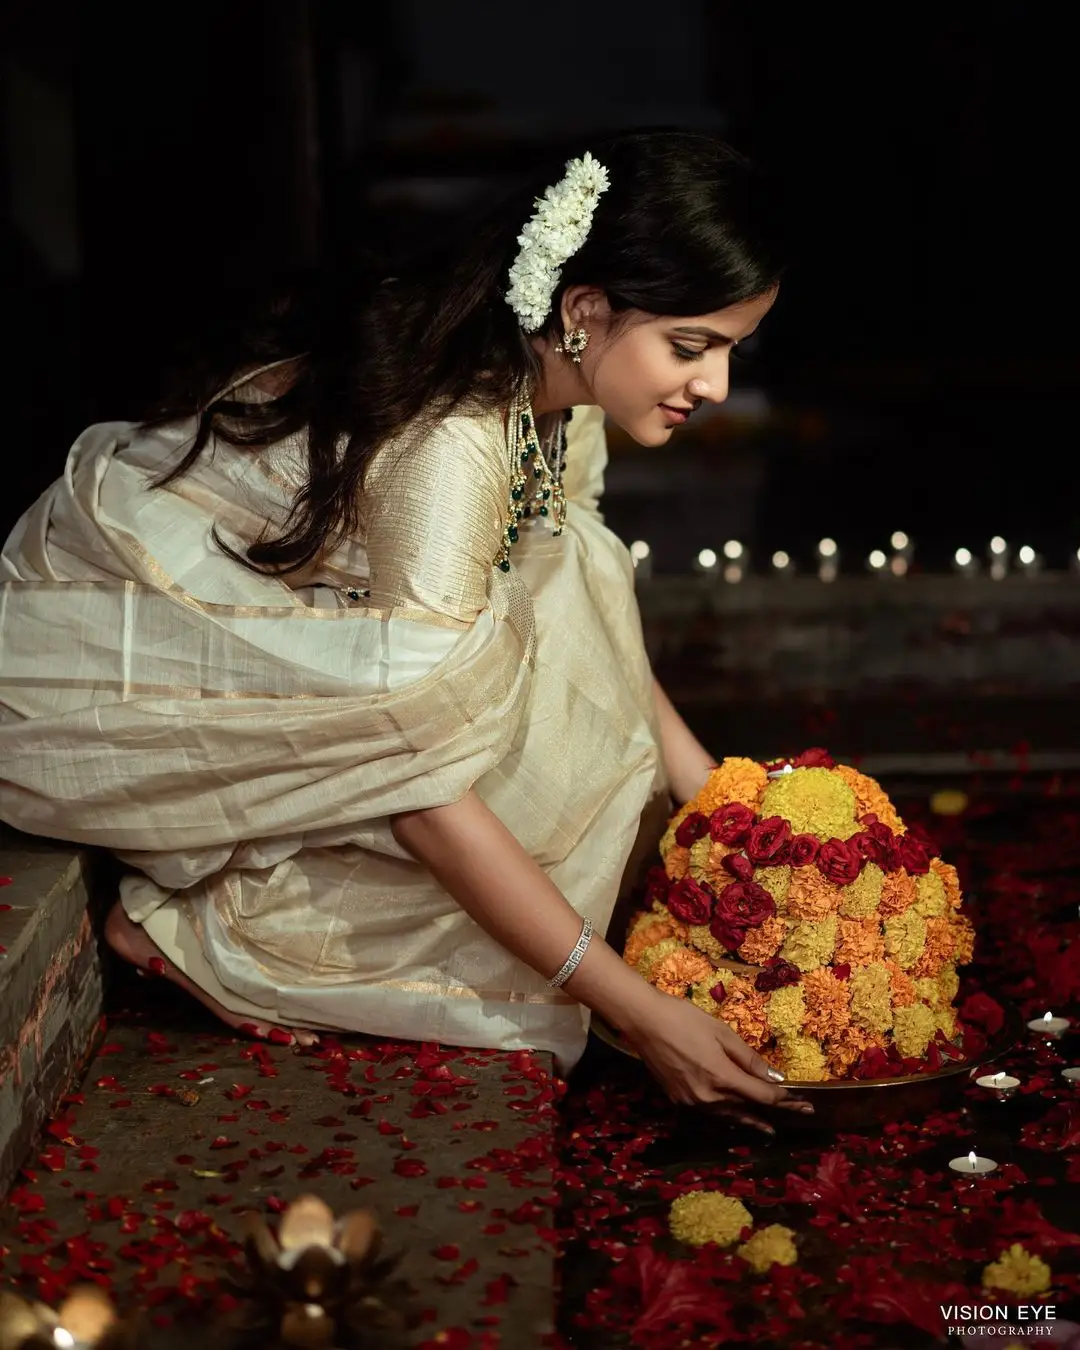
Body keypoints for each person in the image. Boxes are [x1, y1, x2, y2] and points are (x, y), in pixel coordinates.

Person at [0, 128, 810, 1124]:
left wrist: (717, 807)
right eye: (693, 348)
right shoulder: (453, 453)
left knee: (580, 699)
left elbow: (579, 600)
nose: (716, 387)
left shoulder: (559, 396)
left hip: (353, 643)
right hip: (130, 636)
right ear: (583, 310)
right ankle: (216, 932)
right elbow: (413, 776)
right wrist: (638, 1012)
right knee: (528, 852)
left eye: (732, 349)